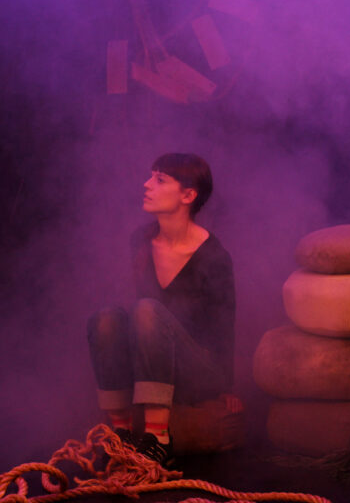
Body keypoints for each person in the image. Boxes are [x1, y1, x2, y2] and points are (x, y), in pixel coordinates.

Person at [87, 153, 240, 466]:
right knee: (106, 319)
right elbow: (141, 326)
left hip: (198, 370)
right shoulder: (141, 240)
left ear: (188, 195)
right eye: (150, 176)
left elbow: (224, 325)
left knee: (146, 310)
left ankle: (158, 439)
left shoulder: (213, 256)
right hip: (156, 362)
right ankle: (120, 435)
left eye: (159, 180)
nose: (146, 184)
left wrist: (225, 387)